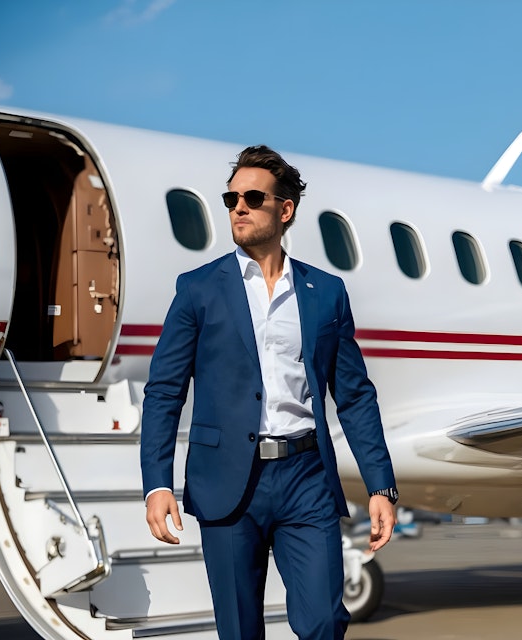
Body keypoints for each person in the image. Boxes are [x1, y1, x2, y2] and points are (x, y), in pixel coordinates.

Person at [140, 145, 398, 639]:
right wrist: (157, 483)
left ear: (284, 210)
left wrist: (380, 486)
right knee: (240, 631)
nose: (238, 207)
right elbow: (165, 390)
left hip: (307, 476)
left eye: (252, 197)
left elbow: (355, 394)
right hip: (228, 482)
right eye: (231, 197)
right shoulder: (198, 289)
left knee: (324, 621)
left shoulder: (327, 292)